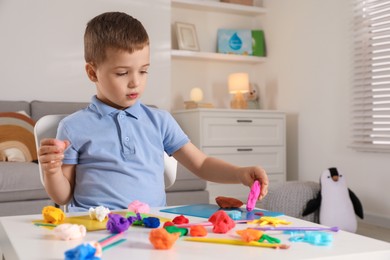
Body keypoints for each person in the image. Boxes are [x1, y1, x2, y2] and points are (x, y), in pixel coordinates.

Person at [38, 12, 269, 212]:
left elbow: (201, 164)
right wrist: (51, 171)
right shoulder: (73, 127)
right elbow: (63, 196)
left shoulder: (159, 120)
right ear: (92, 72)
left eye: (143, 71)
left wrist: (240, 173)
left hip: (150, 227)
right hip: (95, 228)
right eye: (122, 73)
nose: (135, 83)